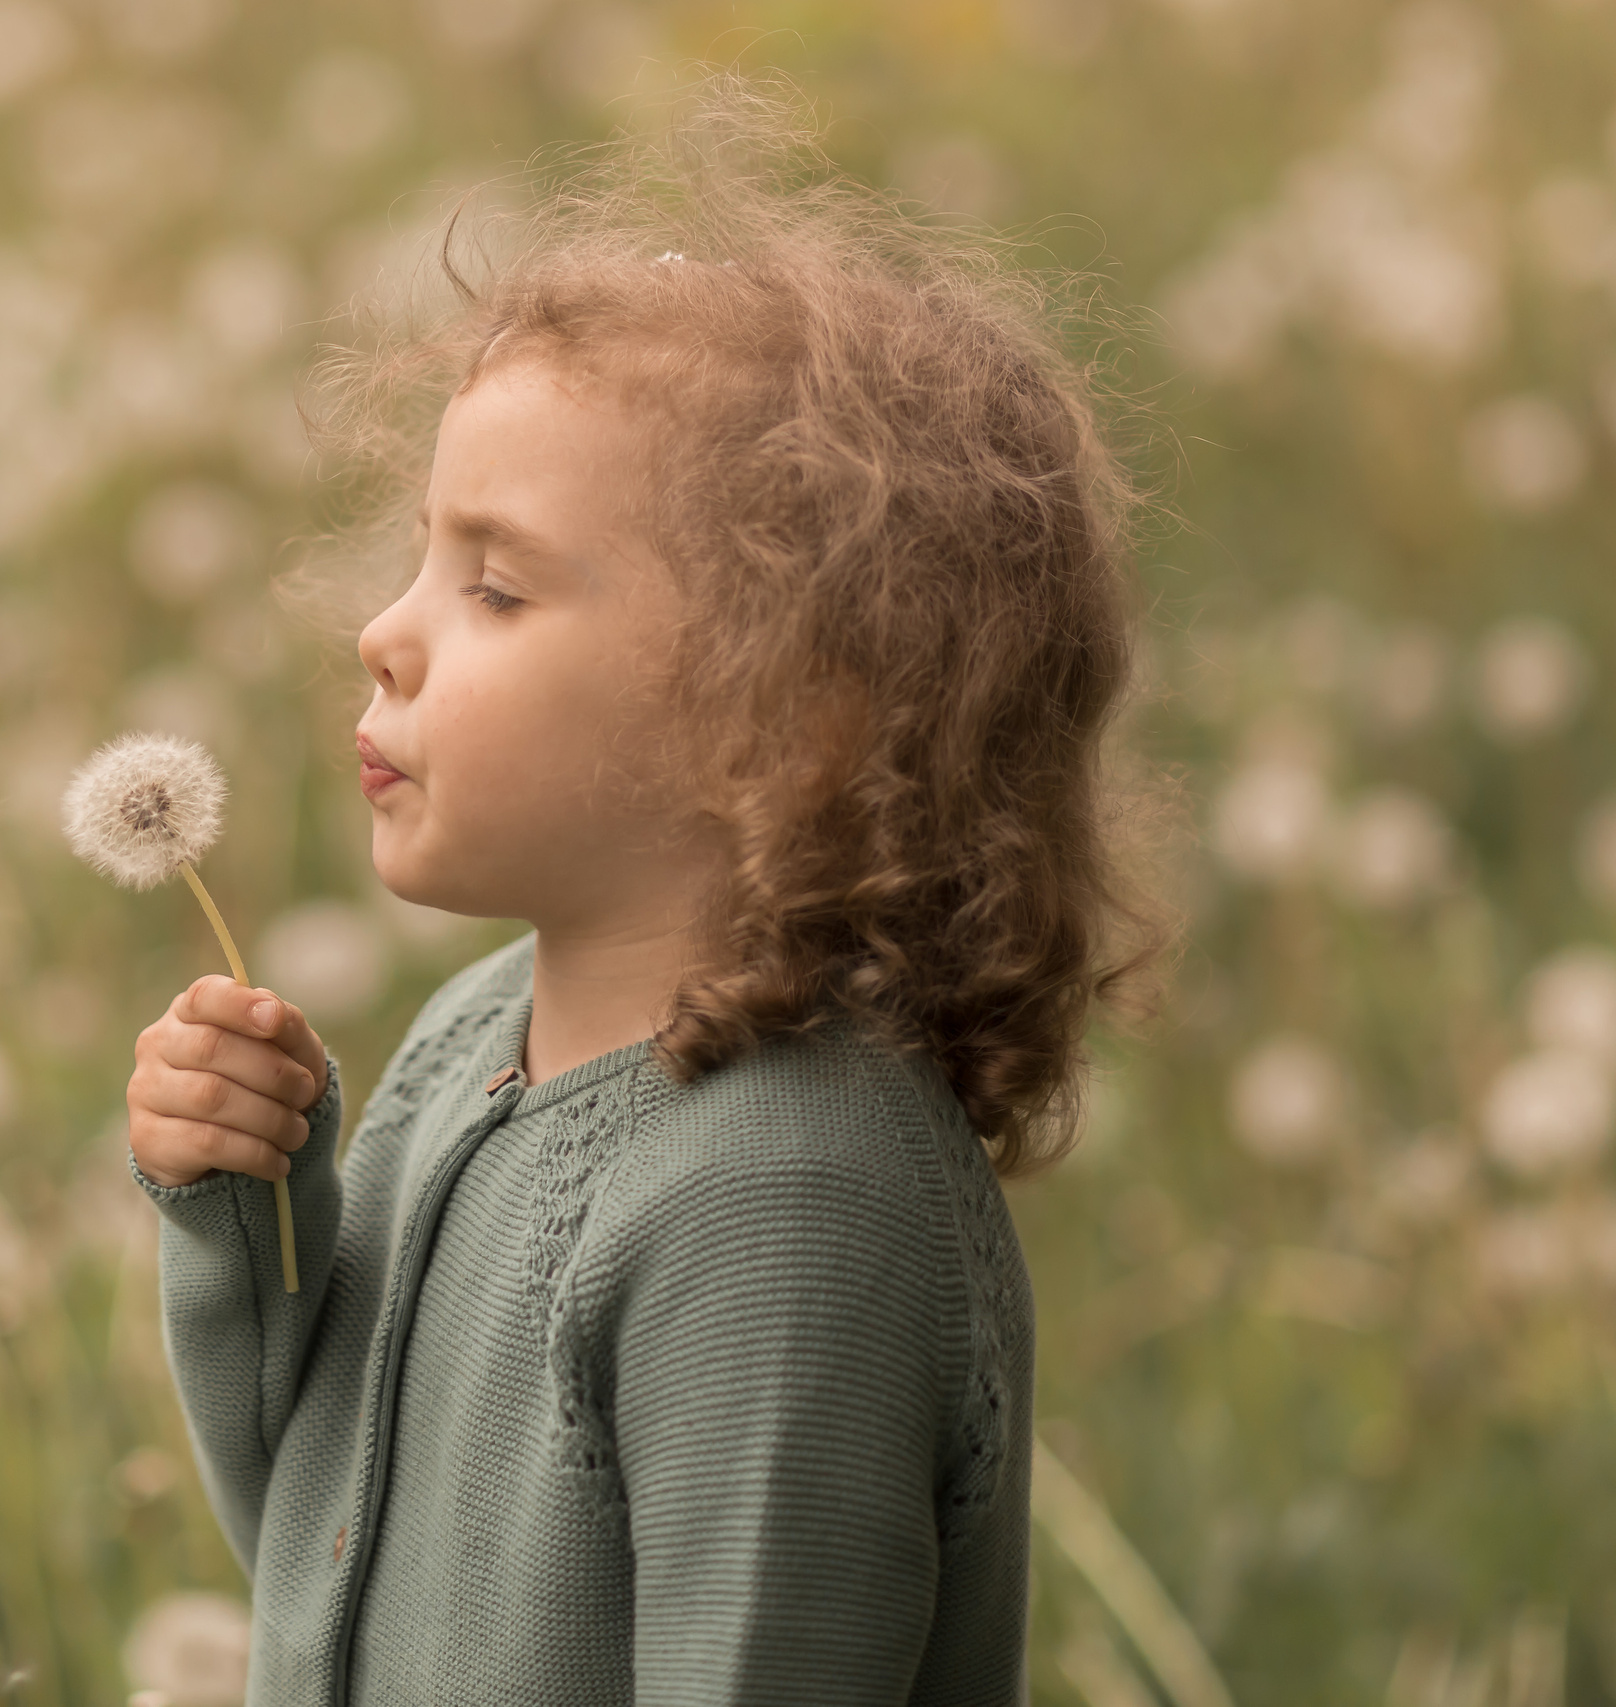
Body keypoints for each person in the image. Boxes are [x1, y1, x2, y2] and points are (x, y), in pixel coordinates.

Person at [121, 73, 1173, 1706]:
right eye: (422, 557)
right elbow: (320, 1582)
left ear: (792, 717)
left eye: (494, 586)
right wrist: (239, 1217)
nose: (384, 631)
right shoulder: (473, 1041)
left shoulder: (784, 1208)